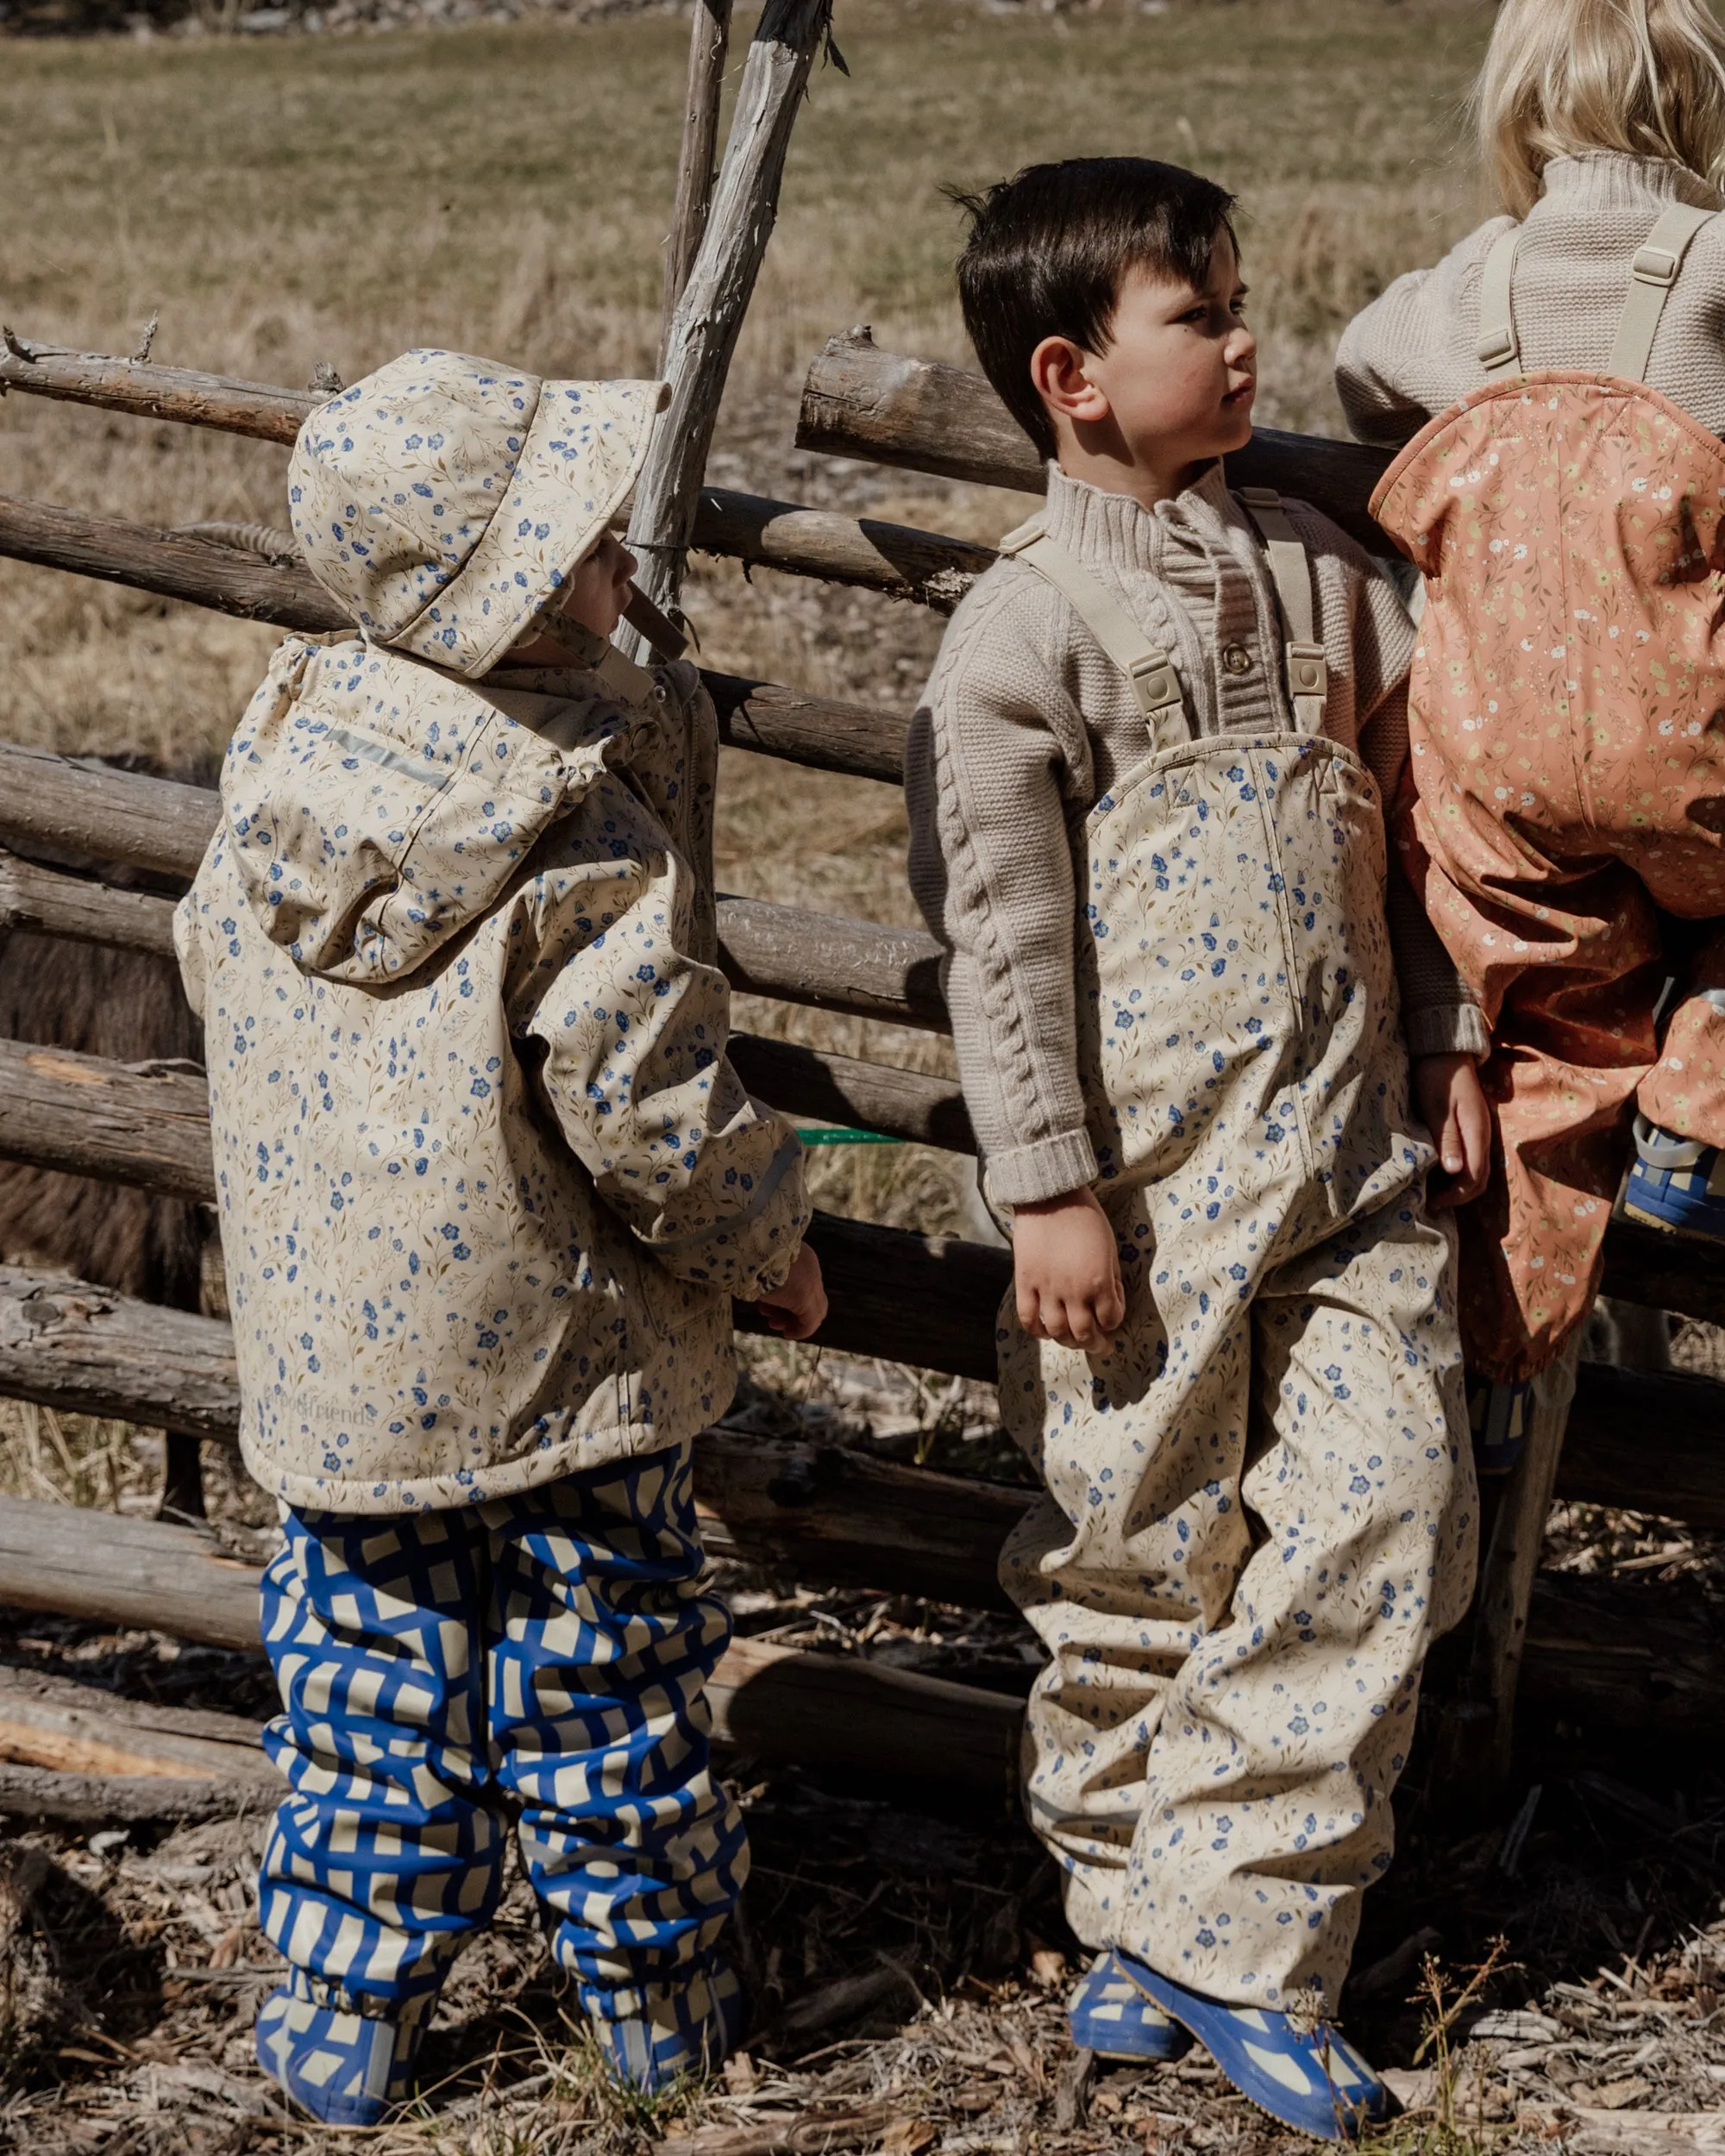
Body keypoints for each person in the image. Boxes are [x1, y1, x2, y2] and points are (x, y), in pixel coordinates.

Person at [175, 348, 825, 2127]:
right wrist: (769, 1234)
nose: (618, 557)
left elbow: (204, 968)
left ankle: (344, 2009)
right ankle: (659, 2003)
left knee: (368, 1693)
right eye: (588, 543)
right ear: (530, 595)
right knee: (601, 1684)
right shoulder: (575, 827)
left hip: (339, 1376)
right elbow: (649, 1096)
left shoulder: (280, 767)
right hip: (562, 1368)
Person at [906, 159, 1477, 2140]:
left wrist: (1440, 1035)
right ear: (1069, 375)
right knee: (1130, 1552)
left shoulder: (1328, 579)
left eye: (1243, 302)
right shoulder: (1022, 634)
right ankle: (1133, 1910)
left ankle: (1241, 1932)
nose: (1249, 340)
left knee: (1395, 1507)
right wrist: (1044, 1181)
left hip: (1351, 1168)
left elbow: (1415, 845)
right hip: (1135, 1213)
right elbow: (1002, 936)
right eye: (1202, 312)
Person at [1336, 0, 1725, 1444]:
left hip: (1498, 759)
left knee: (1551, 1006)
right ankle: (1699, 1090)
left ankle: (1508, 1315)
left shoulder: (1470, 292)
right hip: (1690, 751)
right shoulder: (1714, 274)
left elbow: (1358, 368)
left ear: (1520, 110)